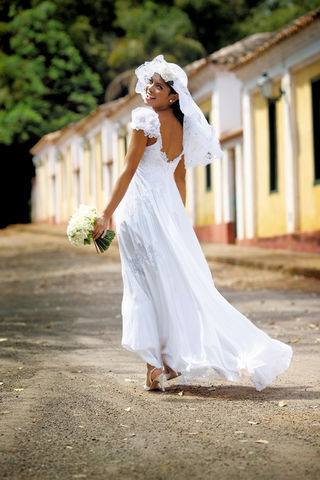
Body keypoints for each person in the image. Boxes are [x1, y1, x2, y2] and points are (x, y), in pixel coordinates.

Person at [92, 54, 293, 392]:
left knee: (144, 285)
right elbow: (179, 180)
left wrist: (106, 213)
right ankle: (163, 364)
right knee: (168, 283)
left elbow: (127, 172)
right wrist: (176, 220)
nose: (149, 90)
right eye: (150, 84)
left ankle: (157, 365)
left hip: (140, 210)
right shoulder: (184, 130)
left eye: (159, 87)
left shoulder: (145, 120)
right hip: (166, 209)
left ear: (173, 97)